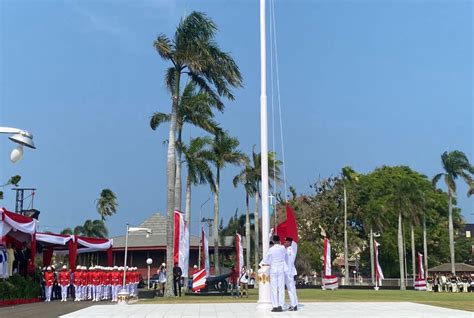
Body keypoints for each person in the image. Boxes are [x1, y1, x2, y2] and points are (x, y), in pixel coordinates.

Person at [261, 235, 288, 312]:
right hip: (281, 269)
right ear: (279, 240)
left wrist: (271, 261)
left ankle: (275, 306)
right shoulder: (282, 248)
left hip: (273, 269)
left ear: (273, 241)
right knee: (281, 288)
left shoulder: (271, 249)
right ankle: (280, 306)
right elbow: (285, 256)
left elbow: (266, 260)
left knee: (273, 288)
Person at [284, 237, 298, 311]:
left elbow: (295, 243)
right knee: (291, 289)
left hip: (290, 272)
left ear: (289, 242)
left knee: (291, 289)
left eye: (286, 241)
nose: (284, 243)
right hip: (287, 272)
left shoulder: (292, 249)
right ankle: (294, 304)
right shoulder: (285, 249)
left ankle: (293, 305)